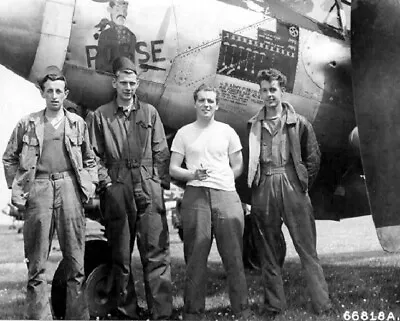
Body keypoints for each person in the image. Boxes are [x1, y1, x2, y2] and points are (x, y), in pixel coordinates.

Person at [2, 66, 98, 320]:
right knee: (36, 265)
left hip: (69, 189)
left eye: (59, 91)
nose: (54, 95)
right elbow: (9, 158)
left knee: (76, 263)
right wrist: (21, 188)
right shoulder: (28, 123)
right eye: (49, 91)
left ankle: (77, 317)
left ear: (66, 94)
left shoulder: (77, 123)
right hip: (39, 189)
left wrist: (88, 186)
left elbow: (90, 159)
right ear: (43, 94)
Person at [88, 56, 172, 320]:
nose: (128, 87)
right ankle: (128, 312)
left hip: (147, 184)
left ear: (138, 84)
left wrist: (156, 182)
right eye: (123, 82)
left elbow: (161, 151)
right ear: (115, 83)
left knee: (156, 253)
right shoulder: (100, 116)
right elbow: (92, 156)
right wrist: (108, 184)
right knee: (121, 255)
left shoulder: (150, 113)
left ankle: (162, 313)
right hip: (118, 184)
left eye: (132, 82)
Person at [247, 68, 332, 315]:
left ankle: (322, 305)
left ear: (282, 91)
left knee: (307, 249)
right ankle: (274, 306)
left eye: (273, 89)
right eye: (264, 90)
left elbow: (313, 158)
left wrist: (301, 184)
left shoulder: (300, 123)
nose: (269, 94)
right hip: (264, 186)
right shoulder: (253, 125)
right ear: (260, 93)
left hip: (292, 184)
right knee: (268, 250)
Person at [170, 84, 250, 320]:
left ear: (217, 105)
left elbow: (238, 165)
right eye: (202, 100)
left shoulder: (227, 131)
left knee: (234, 256)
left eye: (211, 101)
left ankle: (242, 310)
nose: (206, 104)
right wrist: (192, 175)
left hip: (226, 196)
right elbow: (174, 168)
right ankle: (193, 313)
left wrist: (226, 178)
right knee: (195, 257)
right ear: (195, 103)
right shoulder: (184, 133)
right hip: (196, 197)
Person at [94, 0, 136, 73]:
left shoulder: (131, 36)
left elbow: (132, 61)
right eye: (117, 10)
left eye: (124, 10)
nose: (121, 13)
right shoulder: (105, 34)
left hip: (124, 77)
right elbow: (100, 61)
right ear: (110, 10)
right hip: (108, 75)